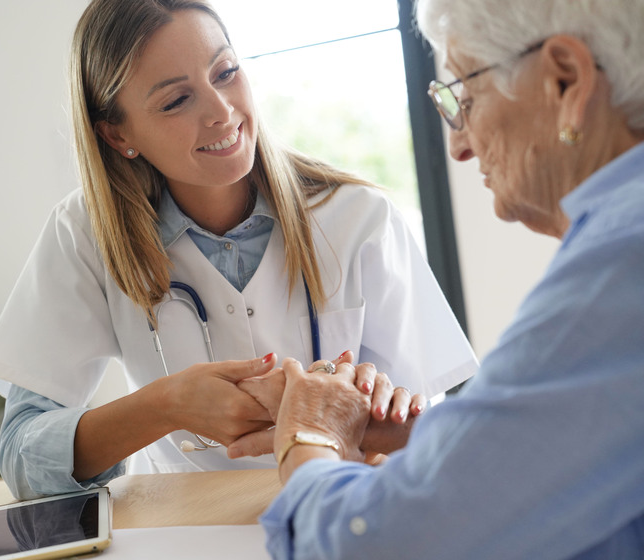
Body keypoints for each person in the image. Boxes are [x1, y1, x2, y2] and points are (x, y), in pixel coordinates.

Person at [0, 0, 477, 501]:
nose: (222, 111)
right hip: (181, 532)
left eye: (226, 72)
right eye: (176, 101)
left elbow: (426, 434)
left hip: (342, 516)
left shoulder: (359, 217)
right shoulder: (85, 234)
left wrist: (340, 415)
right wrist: (166, 405)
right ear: (117, 133)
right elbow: (23, 459)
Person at [259, 0, 644, 558]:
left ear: (566, 80)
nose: (459, 146)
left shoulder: (620, 265)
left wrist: (308, 438)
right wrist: (439, 445)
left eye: (466, 97)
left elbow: (379, 544)